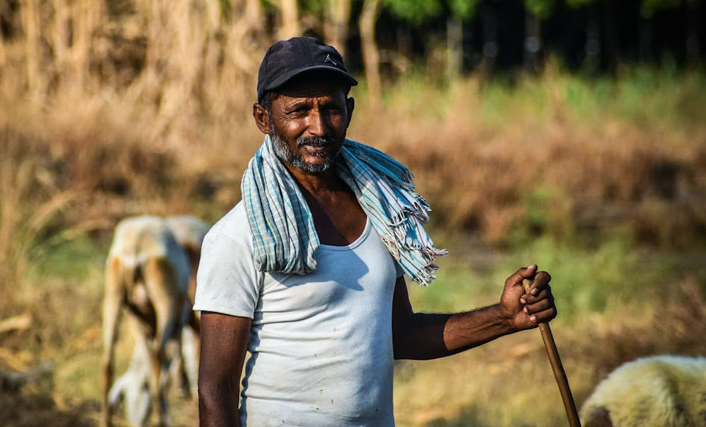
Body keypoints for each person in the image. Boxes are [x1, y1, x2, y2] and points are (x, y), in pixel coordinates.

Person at [194, 37, 557, 427]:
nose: (317, 127)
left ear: (348, 112)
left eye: (330, 109)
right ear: (264, 119)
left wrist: (504, 317)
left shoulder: (382, 210)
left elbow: (400, 334)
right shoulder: (239, 235)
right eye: (298, 110)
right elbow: (216, 388)